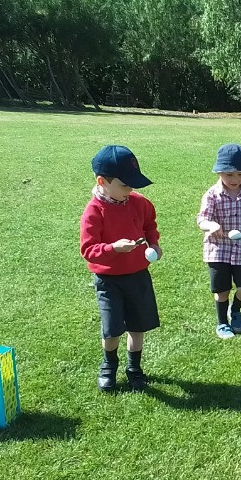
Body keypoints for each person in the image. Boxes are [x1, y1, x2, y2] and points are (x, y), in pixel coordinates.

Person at [80, 145, 161, 391]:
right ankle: (109, 366)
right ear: (102, 181)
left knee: (138, 325)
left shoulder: (140, 203)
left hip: (138, 275)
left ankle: (134, 367)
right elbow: (88, 249)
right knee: (112, 328)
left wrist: (155, 244)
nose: (131, 190)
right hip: (109, 280)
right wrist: (113, 248)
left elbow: (149, 226)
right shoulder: (94, 211)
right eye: (125, 185)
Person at [196, 143, 241, 339]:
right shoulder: (212, 194)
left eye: (240, 174)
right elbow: (202, 219)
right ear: (219, 172)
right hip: (217, 249)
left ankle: (235, 310)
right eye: (229, 175)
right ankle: (222, 323)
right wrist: (211, 226)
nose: (235, 179)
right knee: (222, 290)